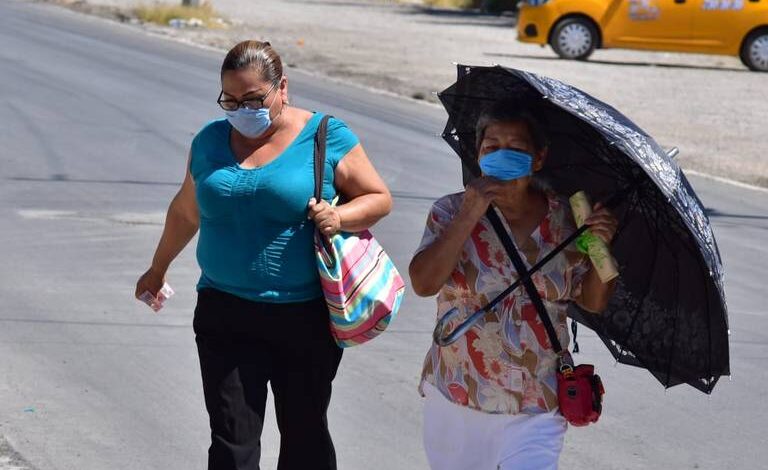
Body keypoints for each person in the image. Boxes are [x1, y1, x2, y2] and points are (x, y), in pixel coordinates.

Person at [134, 40, 392, 470]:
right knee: (232, 444)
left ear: (282, 88)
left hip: (305, 318)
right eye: (230, 100)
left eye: (253, 98)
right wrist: (157, 268)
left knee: (304, 437)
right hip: (224, 313)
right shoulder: (210, 141)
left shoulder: (325, 137)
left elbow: (378, 197)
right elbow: (186, 210)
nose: (240, 109)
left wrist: (339, 215)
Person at [409, 101, 618, 470]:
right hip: (457, 396)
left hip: (537, 404)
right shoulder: (449, 211)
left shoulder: (571, 221)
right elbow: (424, 283)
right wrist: (470, 212)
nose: (502, 156)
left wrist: (602, 247)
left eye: (517, 149)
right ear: (478, 154)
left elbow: (593, 302)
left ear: (539, 158)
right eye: (492, 148)